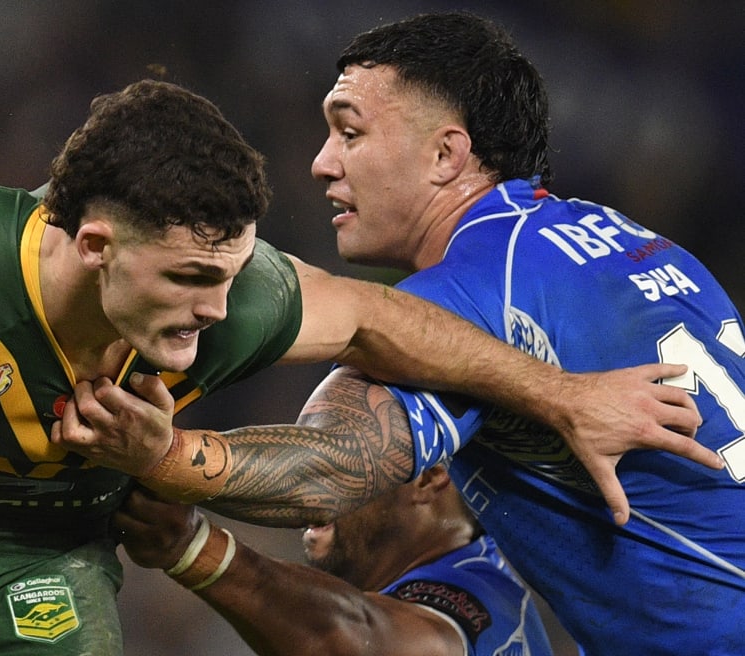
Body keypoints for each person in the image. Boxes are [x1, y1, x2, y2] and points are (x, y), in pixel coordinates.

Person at [0, 78, 698, 655]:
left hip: (46, 561)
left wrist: (563, 394)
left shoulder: (239, 295)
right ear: (94, 246)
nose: (216, 311)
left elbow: (386, 323)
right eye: (186, 277)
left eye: (227, 273)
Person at [51, 13, 745, 655]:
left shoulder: (475, 292)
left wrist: (163, 455)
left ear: (446, 155)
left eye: (350, 132)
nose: (323, 162)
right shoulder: (627, 243)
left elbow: (330, 472)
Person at [116, 464, 559, 656]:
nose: (308, 485)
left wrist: (196, 547)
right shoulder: (486, 572)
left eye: (343, 461)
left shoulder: (478, 601)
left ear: (427, 477)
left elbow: (353, 641)